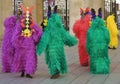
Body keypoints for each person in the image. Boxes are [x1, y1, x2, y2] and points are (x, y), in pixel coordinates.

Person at [37, 5, 77, 79]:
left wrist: (40, 48)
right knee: (58, 58)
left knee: (54, 58)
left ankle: (55, 72)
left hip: (52, 47)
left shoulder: (50, 29)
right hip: (58, 47)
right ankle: (56, 71)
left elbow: (44, 39)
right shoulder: (58, 29)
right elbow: (66, 37)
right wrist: (73, 41)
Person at [11, 4, 43, 78]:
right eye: (25, 15)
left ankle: (28, 72)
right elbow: (15, 35)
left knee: (29, 58)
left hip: (30, 45)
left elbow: (39, 33)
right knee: (21, 57)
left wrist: (33, 33)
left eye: (28, 15)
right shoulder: (19, 25)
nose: (27, 16)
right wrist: (19, 37)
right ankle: (22, 71)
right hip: (21, 45)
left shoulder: (33, 25)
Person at [86, 8, 110, 74]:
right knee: (103, 57)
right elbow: (108, 39)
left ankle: (95, 69)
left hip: (94, 49)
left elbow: (88, 42)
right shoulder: (105, 30)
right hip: (103, 48)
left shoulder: (90, 31)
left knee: (95, 58)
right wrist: (105, 45)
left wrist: (88, 50)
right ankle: (104, 68)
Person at [1, 8, 22, 73]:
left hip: (8, 41)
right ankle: (12, 67)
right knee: (11, 53)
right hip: (10, 40)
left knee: (9, 54)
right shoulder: (16, 23)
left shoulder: (9, 22)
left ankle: (8, 67)